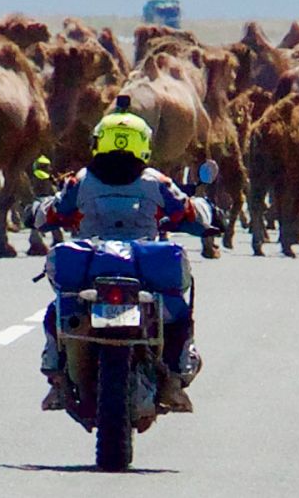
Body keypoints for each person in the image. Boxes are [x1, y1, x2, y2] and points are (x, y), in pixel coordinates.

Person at [32, 106, 212, 413]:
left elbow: (50, 213)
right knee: (178, 314)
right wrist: (208, 212)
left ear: (99, 140)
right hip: (144, 269)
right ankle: (175, 379)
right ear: (143, 143)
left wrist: (35, 212)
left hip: (92, 268)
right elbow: (192, 214)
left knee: (57, 310)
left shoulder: (81, 181)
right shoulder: (156, 181)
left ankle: (58, 382)